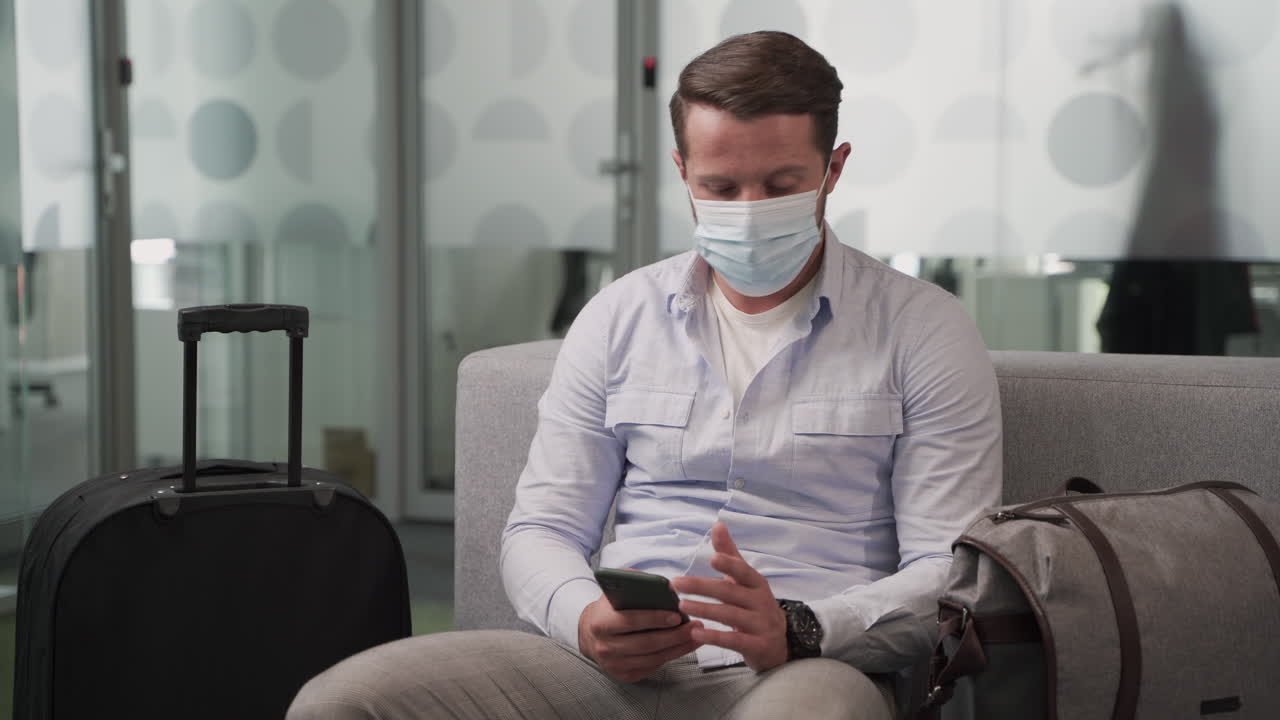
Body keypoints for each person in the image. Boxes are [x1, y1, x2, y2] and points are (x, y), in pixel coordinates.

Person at [288, 31, 1001, 720]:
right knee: (341, 703)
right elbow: (541, 529)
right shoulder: (619, 316)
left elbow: (954, 575)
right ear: (682, 171)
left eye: (781, 186)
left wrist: (801, 627)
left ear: (833, 170)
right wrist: (584, 617)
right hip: (611, 672)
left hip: (805, 669)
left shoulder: (923, 330)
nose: (749, 212)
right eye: (720, 186)